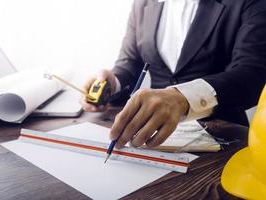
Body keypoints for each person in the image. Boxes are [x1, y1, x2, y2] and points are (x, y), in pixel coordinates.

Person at [80, 0, 266, 149]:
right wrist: (113, 82)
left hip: (222, 137)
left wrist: (183, 97)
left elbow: (252, 72)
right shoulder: (142, 3)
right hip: (150, 134)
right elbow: (130, 62)